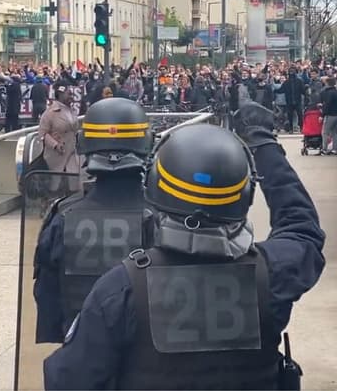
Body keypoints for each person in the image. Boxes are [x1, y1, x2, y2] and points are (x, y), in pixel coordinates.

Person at [44, 106, 326, 389]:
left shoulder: (120, 289)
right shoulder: (272, 274)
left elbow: (68, 380)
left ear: (155, 186)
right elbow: (302, 227)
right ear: (247, 193)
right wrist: (263, 144)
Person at [33, 98, 152, 343]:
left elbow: (47, 301)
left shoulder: (62, 217)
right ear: (147, 144)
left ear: (83, 144)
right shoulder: (161, 218)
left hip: (81, 350)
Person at [38, 81, 81, 191]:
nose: (71, 96)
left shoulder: (71, 111)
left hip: (71, 153)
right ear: (60, 94)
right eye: (68, 94)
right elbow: (43, 134)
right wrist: (55, 145)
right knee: (55, 186)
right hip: (56, 156)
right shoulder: (50, 113)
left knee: (73, 184)